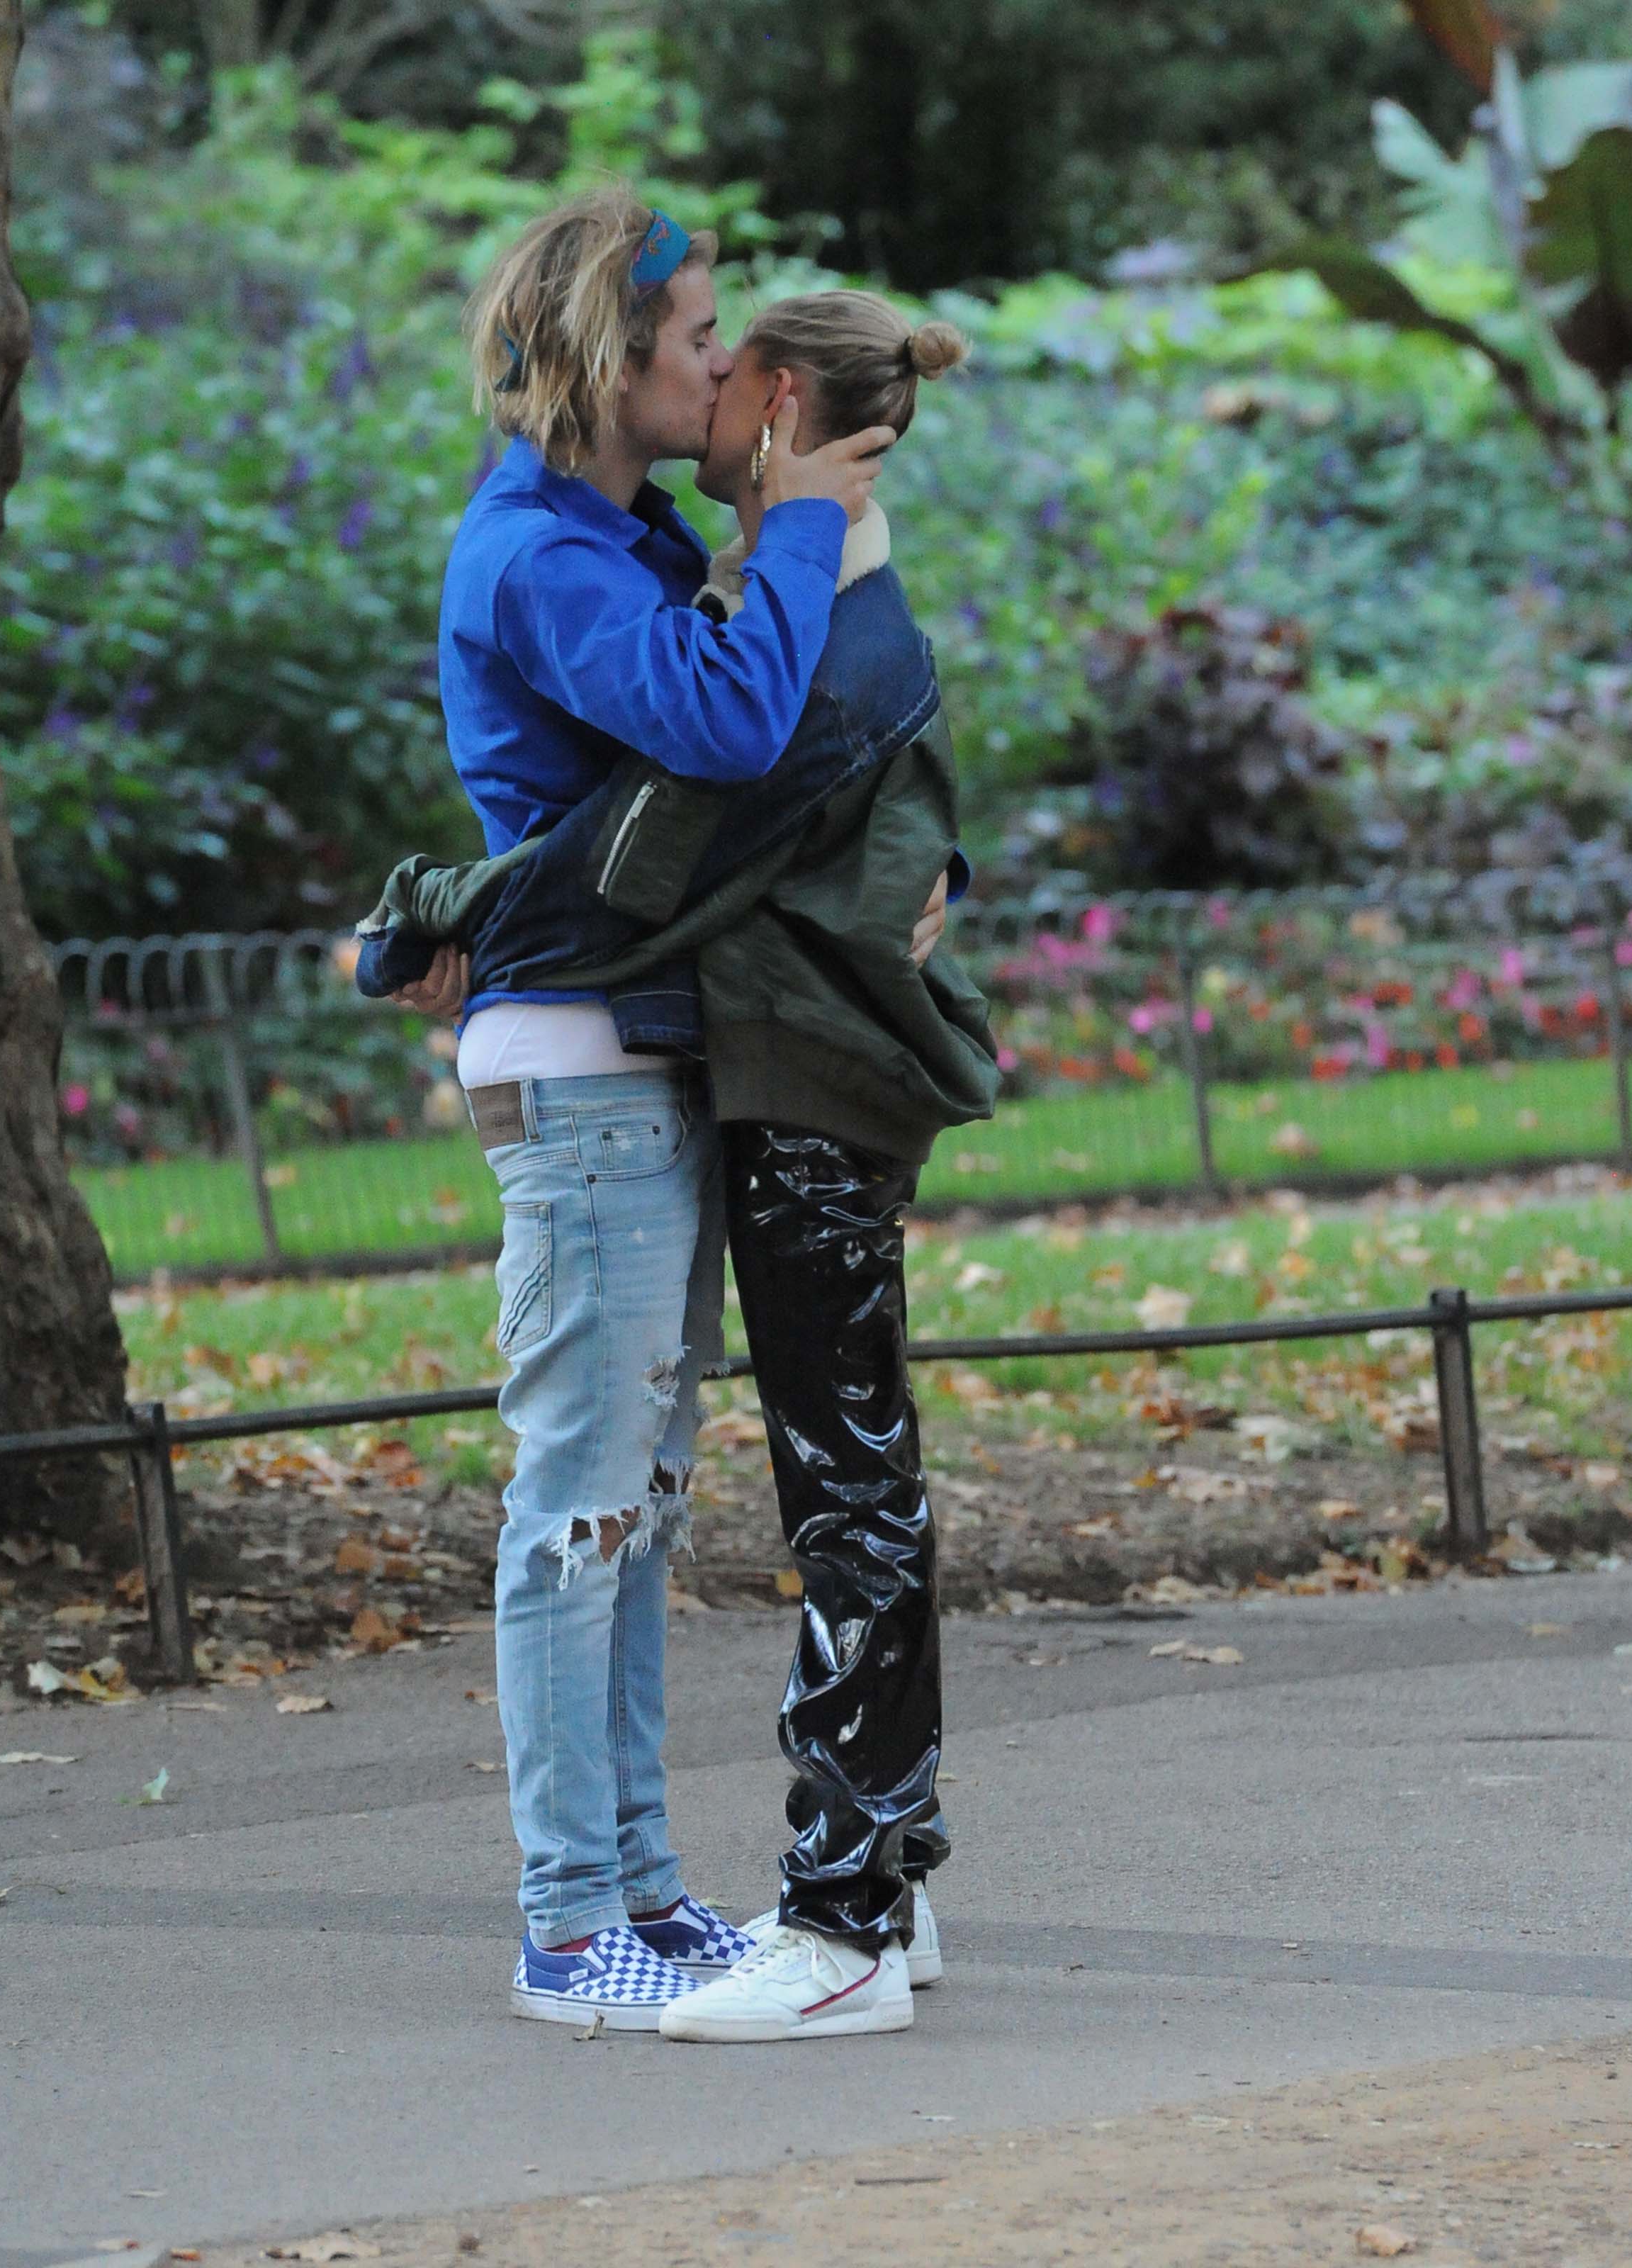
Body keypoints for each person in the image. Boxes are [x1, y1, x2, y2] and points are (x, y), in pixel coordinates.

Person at [364, 287, 996, 2041]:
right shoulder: (668, 569)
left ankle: (831, 1902)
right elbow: (686, 821)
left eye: (730, 350)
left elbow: (683, 832)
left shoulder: (764, 589)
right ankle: (701, 1903)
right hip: (718, 1083)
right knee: (671, 1496)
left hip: (791, 1091)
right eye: (690, 337)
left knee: (810, 1488)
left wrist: (443, 928)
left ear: (783, 400)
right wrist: (451, 930)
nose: (710, 372)